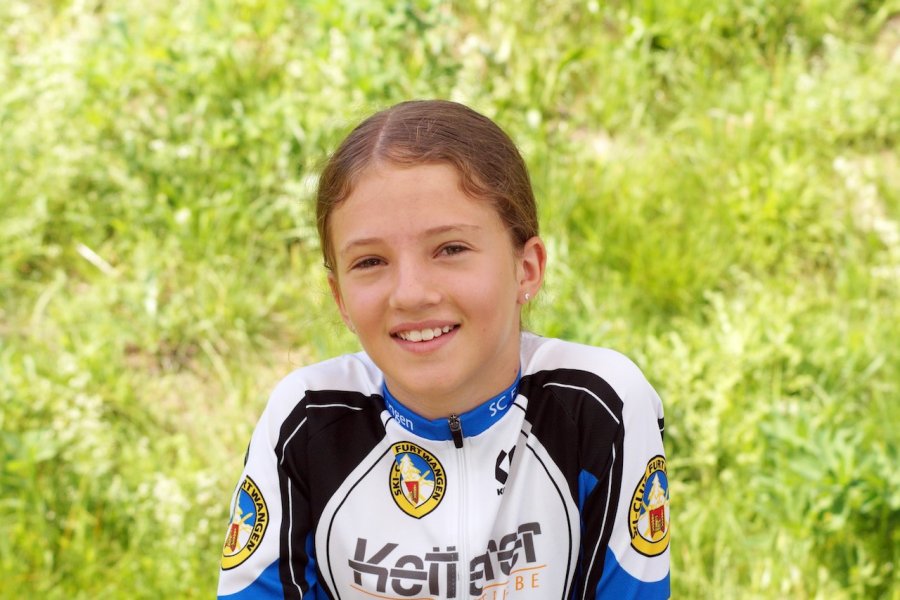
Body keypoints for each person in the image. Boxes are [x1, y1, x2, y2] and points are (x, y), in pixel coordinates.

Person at [217, 100, 670, 599]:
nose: (411, 293)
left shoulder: (600, 407)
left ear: (526, 269)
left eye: (451, 249)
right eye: (370, 261)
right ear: (340, 297)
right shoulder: (305, 422)